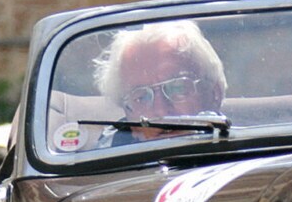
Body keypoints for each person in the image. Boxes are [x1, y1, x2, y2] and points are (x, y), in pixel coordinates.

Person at [91, 20, 227, 141]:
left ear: (214, 94)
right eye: (141, 97)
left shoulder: (243, 155)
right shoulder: (106, 163)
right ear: (129, 116)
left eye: (177, 88)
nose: (161, 110)